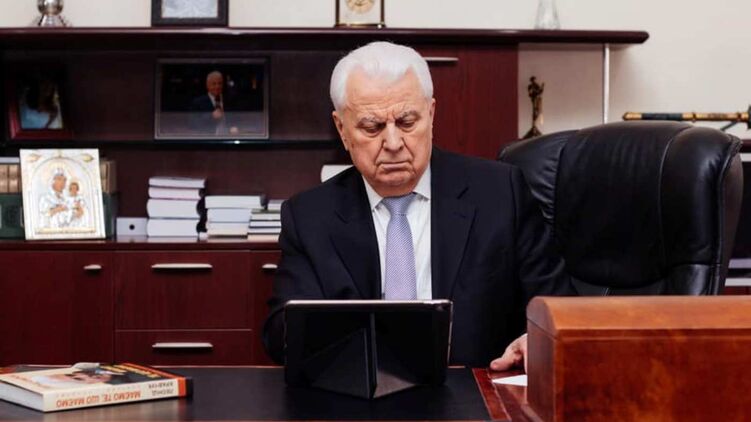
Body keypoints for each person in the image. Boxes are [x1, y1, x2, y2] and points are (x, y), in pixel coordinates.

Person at [262, 41, 573, 369]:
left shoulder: (500, 194)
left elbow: (562, 310)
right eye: (372, 127)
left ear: (431, 114)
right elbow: (281, 334)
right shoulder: (309, 216)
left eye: (407, 122)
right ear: (342, 129)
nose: (393, 143)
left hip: (474, 389)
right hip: (359, 390)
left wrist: (535, 339)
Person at [190, 70, 230, 134]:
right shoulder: (198, 102)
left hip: (228, 137)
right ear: (207, 85)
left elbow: (238, 119)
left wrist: (235, 127)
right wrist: (211, 116)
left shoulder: (229, 100)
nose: (217, 86)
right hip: (208, 137)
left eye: (219, 83)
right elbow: (193, 124)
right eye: (214, 84)